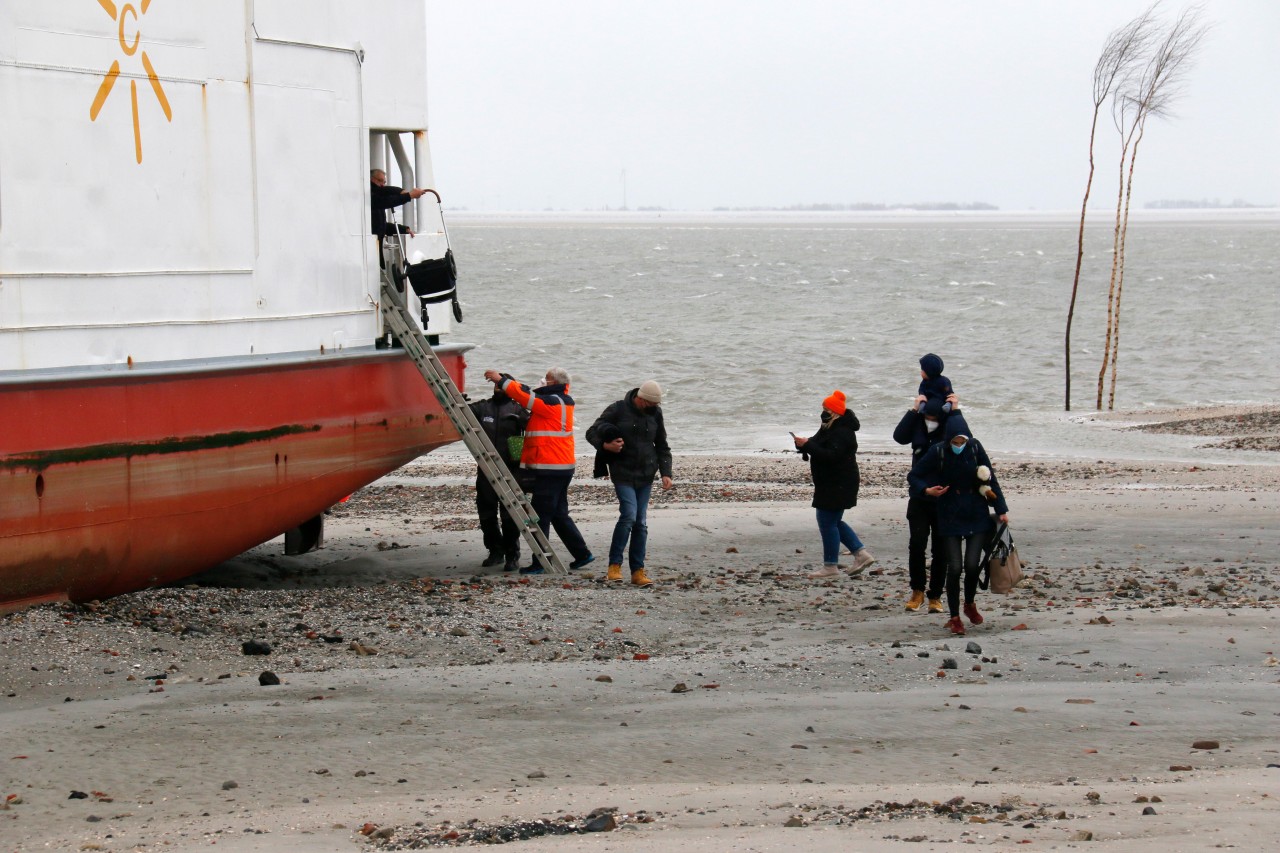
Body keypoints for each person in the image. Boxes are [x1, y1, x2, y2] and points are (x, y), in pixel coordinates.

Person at [482, 366, 594, 574]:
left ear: (556, 383)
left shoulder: (553, 402)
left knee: (540, 515)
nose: (542, 381)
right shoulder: (557, 400)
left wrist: (501, 381)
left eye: (547, 379)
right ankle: (582, 554)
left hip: (550, 467)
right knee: (559, 514)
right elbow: (527, 392)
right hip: (559, 466)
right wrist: (508, 381)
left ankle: (540, 562)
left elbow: (525, 397)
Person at [907, 413, 1009, 636]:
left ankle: (969, 604)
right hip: (949, 514)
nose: (959, 446)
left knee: (972, 565)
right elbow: (914, 476)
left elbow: (990, 479)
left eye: (962, 442)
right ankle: (954, 617)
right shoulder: (938, 451)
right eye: (955, 442)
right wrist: (927, 490)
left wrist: (1001, 509)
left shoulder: (974, 448)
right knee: (955, 567)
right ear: (948, 440)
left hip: (976, 512)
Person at [586, 380, 673, 588]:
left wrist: (666, 473)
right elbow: (591, 432)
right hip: (623, 472)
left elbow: (662, 445)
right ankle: (614, 567)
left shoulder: (655, 413)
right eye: (651, 404)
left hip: (646, 474)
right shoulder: (618, 409)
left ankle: (637, 571)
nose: (654, 408)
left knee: (640, 522)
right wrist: (605, 445)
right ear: (641, 399)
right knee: (629, 516)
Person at [793, 390, 875, 579]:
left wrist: (809, 446)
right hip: (830, 482)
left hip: (839, 483)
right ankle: (860, 554)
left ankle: (831, 566)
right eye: (823, 408)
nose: (823, 411)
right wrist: (803, 444)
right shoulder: (829, 426)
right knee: (833, 521)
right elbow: (817, 444)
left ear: (835, 411)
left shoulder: (843, 431)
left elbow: (831, 456)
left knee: (827, 521)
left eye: (826, 408)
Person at [892, 393, 957, 613]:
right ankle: (917, 591)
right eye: (927, 415)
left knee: (941, 550)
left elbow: (966, 436)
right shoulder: (918, 424)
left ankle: (935, 596)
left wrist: (955, 410)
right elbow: (899, 436)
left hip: (944, 499)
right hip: (920, 496)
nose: (930, 421)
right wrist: (913, 411)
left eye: (934, 418)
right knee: (917, 545)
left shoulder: (949, 427)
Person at [469, 387, 530, 572]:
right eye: (496, 386)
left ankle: (512, 554)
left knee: (510, 515)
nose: (498, 389)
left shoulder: (518, 409)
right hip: (486, 468)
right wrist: (462, 402)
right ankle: (495, 550)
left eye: (501, 386)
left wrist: (523, 420)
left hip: (511, 469)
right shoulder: (483, 407)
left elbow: (534, 427)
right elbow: (463, 413)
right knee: (486, 512)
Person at [370, 169, 427, 237]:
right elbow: (386, 200)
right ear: (370, 179)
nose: (382, 185)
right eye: (379, 180)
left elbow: (380, 226)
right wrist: (409, 195)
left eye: (384, 182)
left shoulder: (376, 198)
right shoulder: (370, 197)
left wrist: (403, 229)